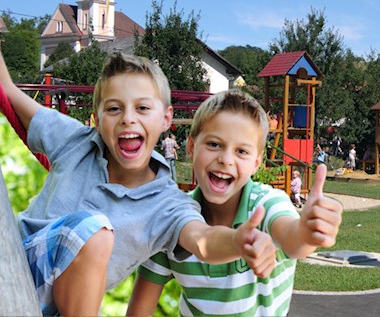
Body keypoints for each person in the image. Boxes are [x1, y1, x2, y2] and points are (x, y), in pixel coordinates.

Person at [0, 52, 276, 316]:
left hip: (53, 308)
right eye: (114, 108)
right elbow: (8, 91)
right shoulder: (75, 141)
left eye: (142, 108)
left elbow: (203, 241)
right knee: (95, 231)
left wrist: (237, 241)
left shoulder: (168, 204)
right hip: (15, 265)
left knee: (95, 233)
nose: (128, 118)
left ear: (165, 118)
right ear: (97, 120)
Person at [127, 90, 343, 317]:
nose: (226, 159)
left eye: (241, 151)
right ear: (191, 147)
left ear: (257, 162)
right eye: (213, 144)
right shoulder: (172, 219)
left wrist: (307, 233)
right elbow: (139, 310)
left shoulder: (268, 204)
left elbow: (292, 239)